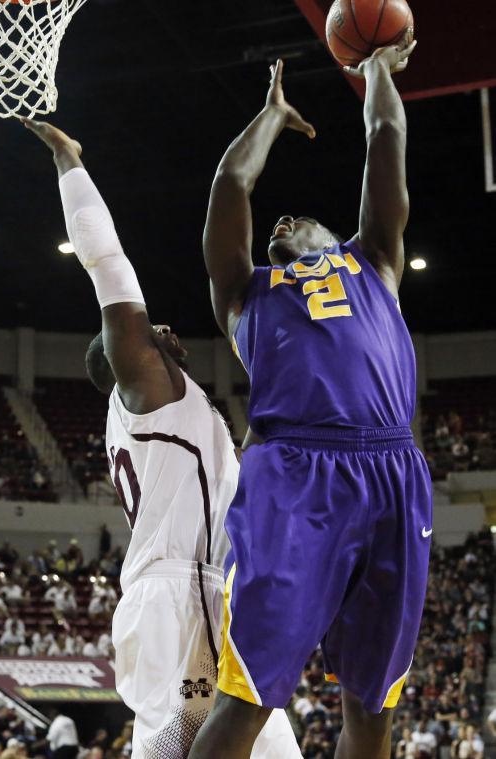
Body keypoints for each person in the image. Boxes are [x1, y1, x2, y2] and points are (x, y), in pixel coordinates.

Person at [23, 118, 300, 759]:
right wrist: (71, 163)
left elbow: (247, 463)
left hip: (191, 591)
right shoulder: (148, 392)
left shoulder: (181, 410)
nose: (165, 331)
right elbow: (108, 266)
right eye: (152, 333)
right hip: (183, 593)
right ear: (133, 355)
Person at [189, 33, 431, 759]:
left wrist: (378, 72)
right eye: (277, 228)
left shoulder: (375, 261)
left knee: (372, 700)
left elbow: (385, 133)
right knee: (248, 696)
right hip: (294, 477)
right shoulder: (247, 293)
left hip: (392, 470)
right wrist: (267, 117)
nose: (285, 221)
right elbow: (231, 186)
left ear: (336, 234)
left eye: (299, 219)